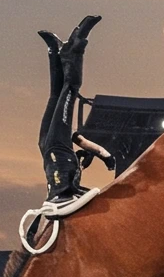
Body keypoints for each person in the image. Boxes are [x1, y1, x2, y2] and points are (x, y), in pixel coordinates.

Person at [36, 16, 115, 209]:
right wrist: (105, 155)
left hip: (52, 150)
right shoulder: (65, 146)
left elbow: (78, 139)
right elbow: (78, 139)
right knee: (67, 90)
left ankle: (58, 51)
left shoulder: (63, 145)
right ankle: (72, 48)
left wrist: (103, 155)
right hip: (58, 152)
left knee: (60, 94)